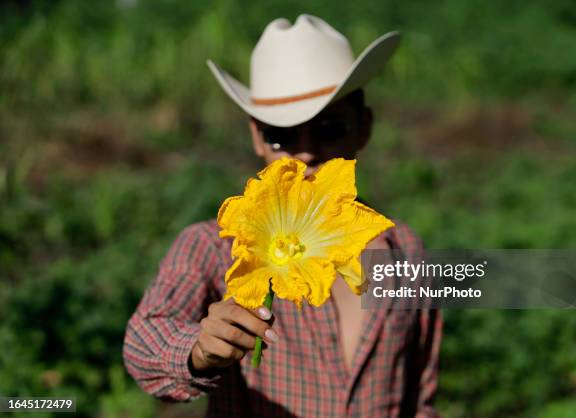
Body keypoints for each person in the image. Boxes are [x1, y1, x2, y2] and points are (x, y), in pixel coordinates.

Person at [123, 14, 442, 418]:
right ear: (257, 137)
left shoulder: (406, 248)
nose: (305, 152)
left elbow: (421, 396)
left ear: (363, 127)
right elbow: (142, 343)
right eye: (283, 134)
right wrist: (198, 350)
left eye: (328, 128)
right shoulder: (212, 245)